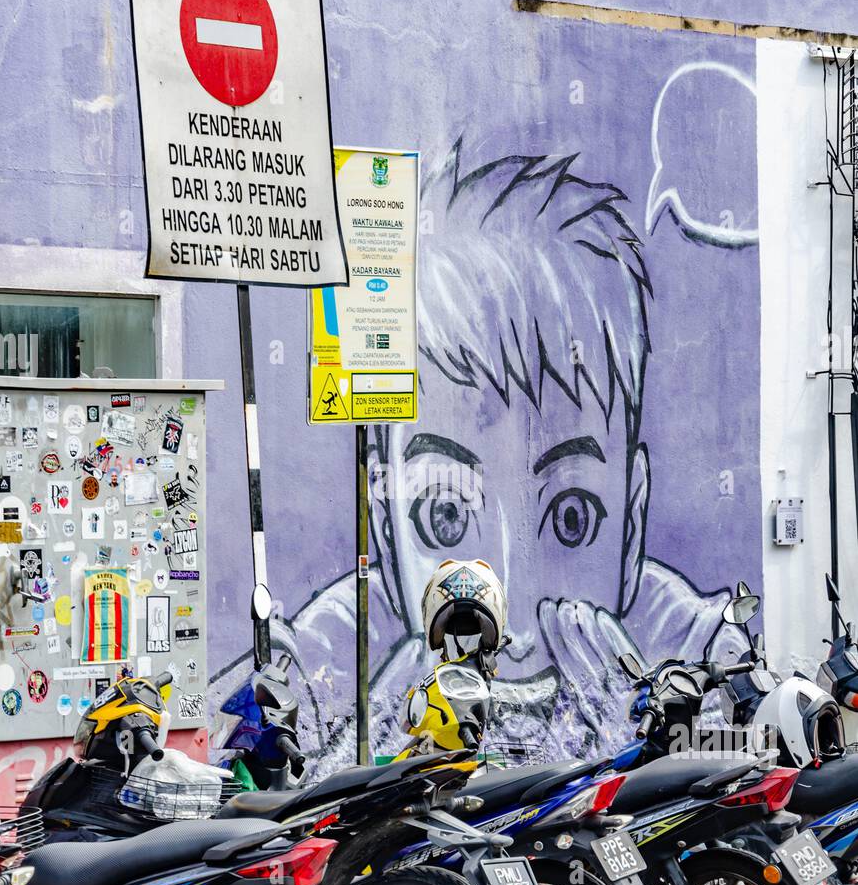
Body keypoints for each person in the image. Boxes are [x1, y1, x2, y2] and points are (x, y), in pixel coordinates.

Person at [214, 139, 743, 772]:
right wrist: (385, 729)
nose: (510, 613)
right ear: (383, 520)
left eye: (572, 517)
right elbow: (249, 762)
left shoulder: (673, 640)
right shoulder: (351, 649)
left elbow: (746, 744)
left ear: (631, 523)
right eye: (445, 518)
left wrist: (638, 732)